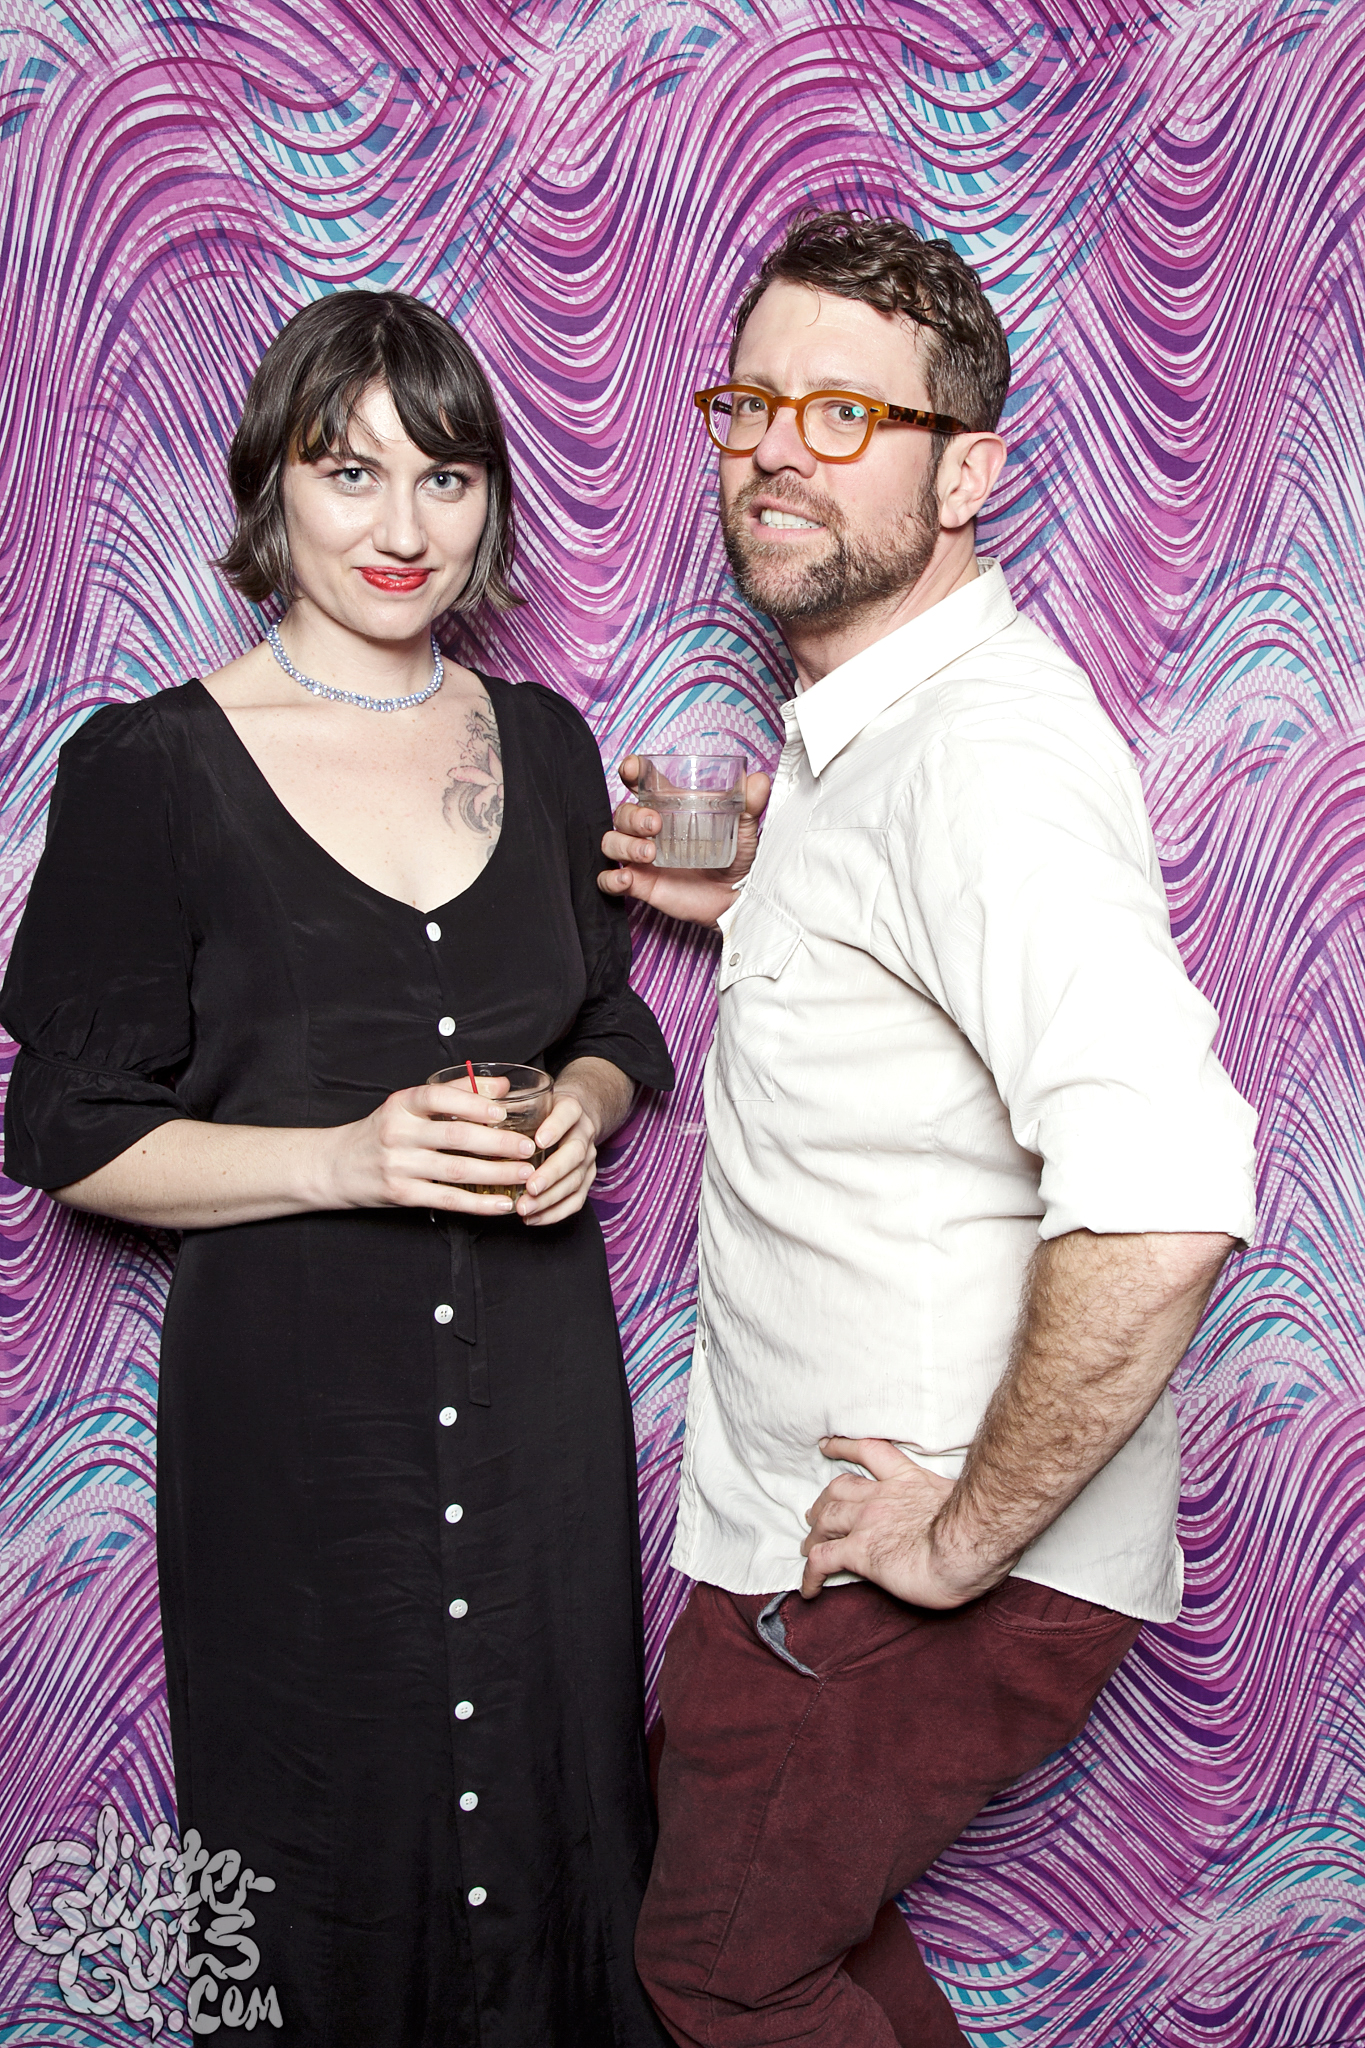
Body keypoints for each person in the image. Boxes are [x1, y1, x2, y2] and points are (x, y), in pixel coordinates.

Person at [599, 210, 1258, 2047]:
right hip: (807, 1533)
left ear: (965, 472)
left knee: (720, 1970)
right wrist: (769, 906)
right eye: (749, 404)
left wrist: (960, 1542)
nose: (772, 450)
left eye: (844, 415)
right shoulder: (865, 742)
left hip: (919, 1555)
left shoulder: (979, 755)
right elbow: (918, 1016)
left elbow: (1165, 1189)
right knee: (779, 1933)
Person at [1, 290, 675, 2047]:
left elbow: (613, 1018)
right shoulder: (152, 766)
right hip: (295, 1423)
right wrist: (348, 1157)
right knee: (320, 1844)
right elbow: (69, 1134)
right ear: (272, 488)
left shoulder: (543, 744)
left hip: (538, 1402)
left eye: (445, 476)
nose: (402, 526)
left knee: (562, 1825)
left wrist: (581, 1110)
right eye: (348, 470)